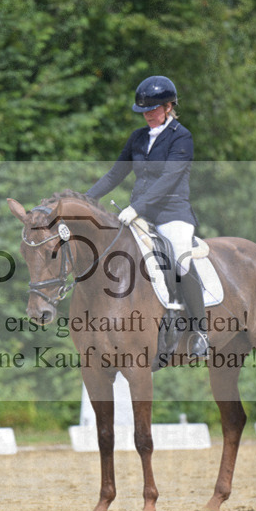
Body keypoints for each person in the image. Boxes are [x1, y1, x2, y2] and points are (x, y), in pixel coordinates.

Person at [86, 75, 209, 357]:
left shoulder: (182, 137)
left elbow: (169, 179)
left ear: (168, 107)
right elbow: (114, 174)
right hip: (138, 215)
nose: (148, 116)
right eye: (144, 111)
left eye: (153, 110)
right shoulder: (138, 138)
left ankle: (201, 331)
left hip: (173, 213)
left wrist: (137, 207)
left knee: (179, 259)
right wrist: (85, 199)